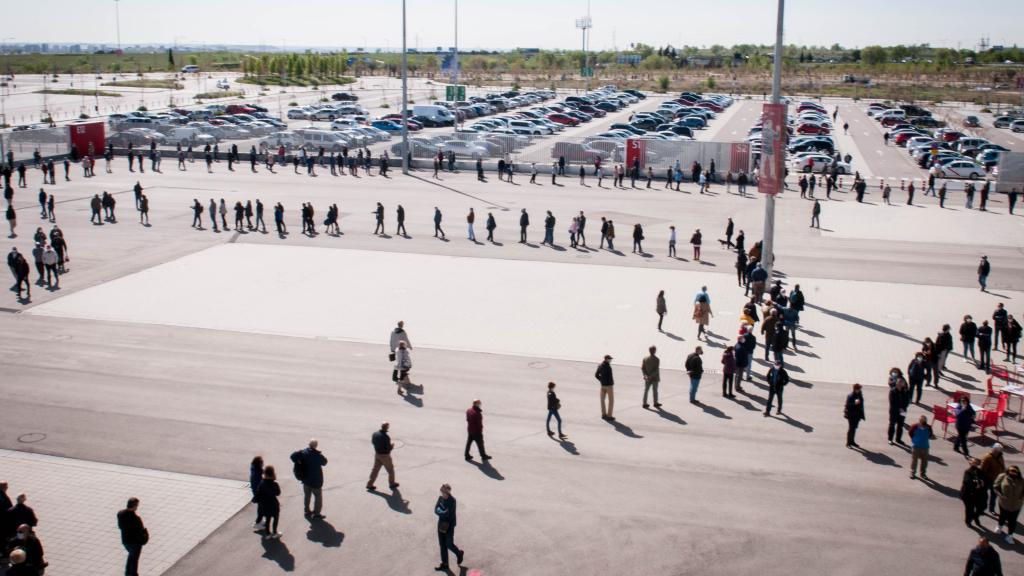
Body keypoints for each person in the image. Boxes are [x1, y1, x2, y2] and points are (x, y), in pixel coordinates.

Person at [291, 439, 327, 519]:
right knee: (318, 497)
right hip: (316, 481)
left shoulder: (303, 452)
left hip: (306, 479)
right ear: (316, 446)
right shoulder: (317, 455)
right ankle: (316, 513)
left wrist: (300, 451)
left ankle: (307, 510)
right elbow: (325, 462)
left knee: (307, 495)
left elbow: (292, 457)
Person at [434, 484, 464, 571]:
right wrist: (442, 511)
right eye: (441, 491)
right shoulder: (440, 498)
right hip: (441, 524)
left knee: (449, 544)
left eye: (443, 491)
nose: (442, 493)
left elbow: (447, 513)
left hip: (449, 526)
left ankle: (459, 553)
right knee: (442, 545)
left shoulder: (452, 501)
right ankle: (445, 564)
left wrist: (441, 511)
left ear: (447, 492)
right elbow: (436, 509)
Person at [117, 497, 149, 576]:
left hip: (126, 541)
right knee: (134, 560)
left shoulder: (120, 514)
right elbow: (140, 532)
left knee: (131, 557)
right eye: (137, 506)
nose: (137, 508)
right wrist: (145, 536)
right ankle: (133, 574)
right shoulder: (136, 519)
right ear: (135, 506)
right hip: (135, 543)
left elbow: (120, 526)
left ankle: (127, 573)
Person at [994, 465, 1023, 544]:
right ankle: (999, 526)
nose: (1013, 473)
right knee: (1002, 516)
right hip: (1004, 503)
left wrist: (1021, 498)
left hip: (1016, 505)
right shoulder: (1003, 477)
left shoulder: (1021, 480)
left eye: (1015, 471)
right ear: (1008, 471)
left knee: (1012, 521)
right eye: (1012, 471)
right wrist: (1000, 495)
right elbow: (996, 486)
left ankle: (1010, 536)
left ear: (1018, 472)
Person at [366, 422, 399, 491]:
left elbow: (373, 442)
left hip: (377, 454)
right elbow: (388, 448)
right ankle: (391, 483)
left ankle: (369, 484)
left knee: (375, 469)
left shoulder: (375, 434)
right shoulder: (386, 437)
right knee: (390, 470)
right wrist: (392, 446)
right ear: (387, 428)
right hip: (385, 456)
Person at [253, 465, 281, 538]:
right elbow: (278, 493)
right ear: (273, 473)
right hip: (274, 504)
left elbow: (258, 493)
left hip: (264, 505)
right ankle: (275, 533)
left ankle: (268, 534)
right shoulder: (275, 484)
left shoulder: (262, 483)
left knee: (267, 519)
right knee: (275, 518)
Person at [962, 458, 988, 528]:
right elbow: (967, 481)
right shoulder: (968, 471)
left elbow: (984, 480)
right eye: (973, 462)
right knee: (969, 509)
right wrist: (976, 482)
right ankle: (968, 521)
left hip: (978, 494)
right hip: (968, 494)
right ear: (970, 463)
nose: (975, 464)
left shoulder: (980, 471)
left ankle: (975, 517)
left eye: (976, 463)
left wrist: (981, 483)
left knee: (981, 508)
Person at [980, 444, 1006, 514]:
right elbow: (982, 470)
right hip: (988, 480)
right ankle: (981, 508)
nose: (1000, 452)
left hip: (997, 480)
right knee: (984, 496)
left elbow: (1003, 466)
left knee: (994, 496)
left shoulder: (1000, 456)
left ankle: (992, 509)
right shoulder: (987, 458)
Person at [886, 372, 910, 445]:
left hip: (903, 411)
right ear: (896, 383)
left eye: (902, 383)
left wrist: (903, 408)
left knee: (900, 425)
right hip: (894, 411)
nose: (901, 384)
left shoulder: (905, 391)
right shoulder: (892, 391)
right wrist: (899, 408)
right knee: (892, 425)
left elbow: (907, 401)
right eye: (899, 383)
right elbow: (892, 402)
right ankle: (890, 439)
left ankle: (898, 439)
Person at [908, 415, 931, 480]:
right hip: (916, 446)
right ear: (919, 422)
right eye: (922, 423)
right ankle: (912, 472)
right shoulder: (914, 426)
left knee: (924, 461)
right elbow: (910, 433)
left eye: (925, 423)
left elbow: (930, 435)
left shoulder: (928, 427)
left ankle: (923, 473)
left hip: (925, 447)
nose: (924, 425)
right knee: (914, 460)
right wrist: (914, 440)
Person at [844, 383, 865, 448]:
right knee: (851, 429)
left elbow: (861, 403)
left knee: (854, 428)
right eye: (858, 389)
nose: (860, 390)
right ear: (855, 389)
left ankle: (852, 441)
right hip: (851, 415)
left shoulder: (859, 394)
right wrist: (854, 403)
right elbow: (847, 405)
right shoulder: (850, 396)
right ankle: (848, 443)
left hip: (857, 415)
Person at [595, 354, 615, 420]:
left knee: (602, 400)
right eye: (610, 359)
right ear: (606, 359)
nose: (610, 360)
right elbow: (608, 376)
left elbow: (596, 375)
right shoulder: (608, 367)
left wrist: (601, 380)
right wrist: (610, 382)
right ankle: (609, 416)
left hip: (602, 386)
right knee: (611, 401)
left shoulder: (600, 366)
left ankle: (603, 414)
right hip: (609, 386)